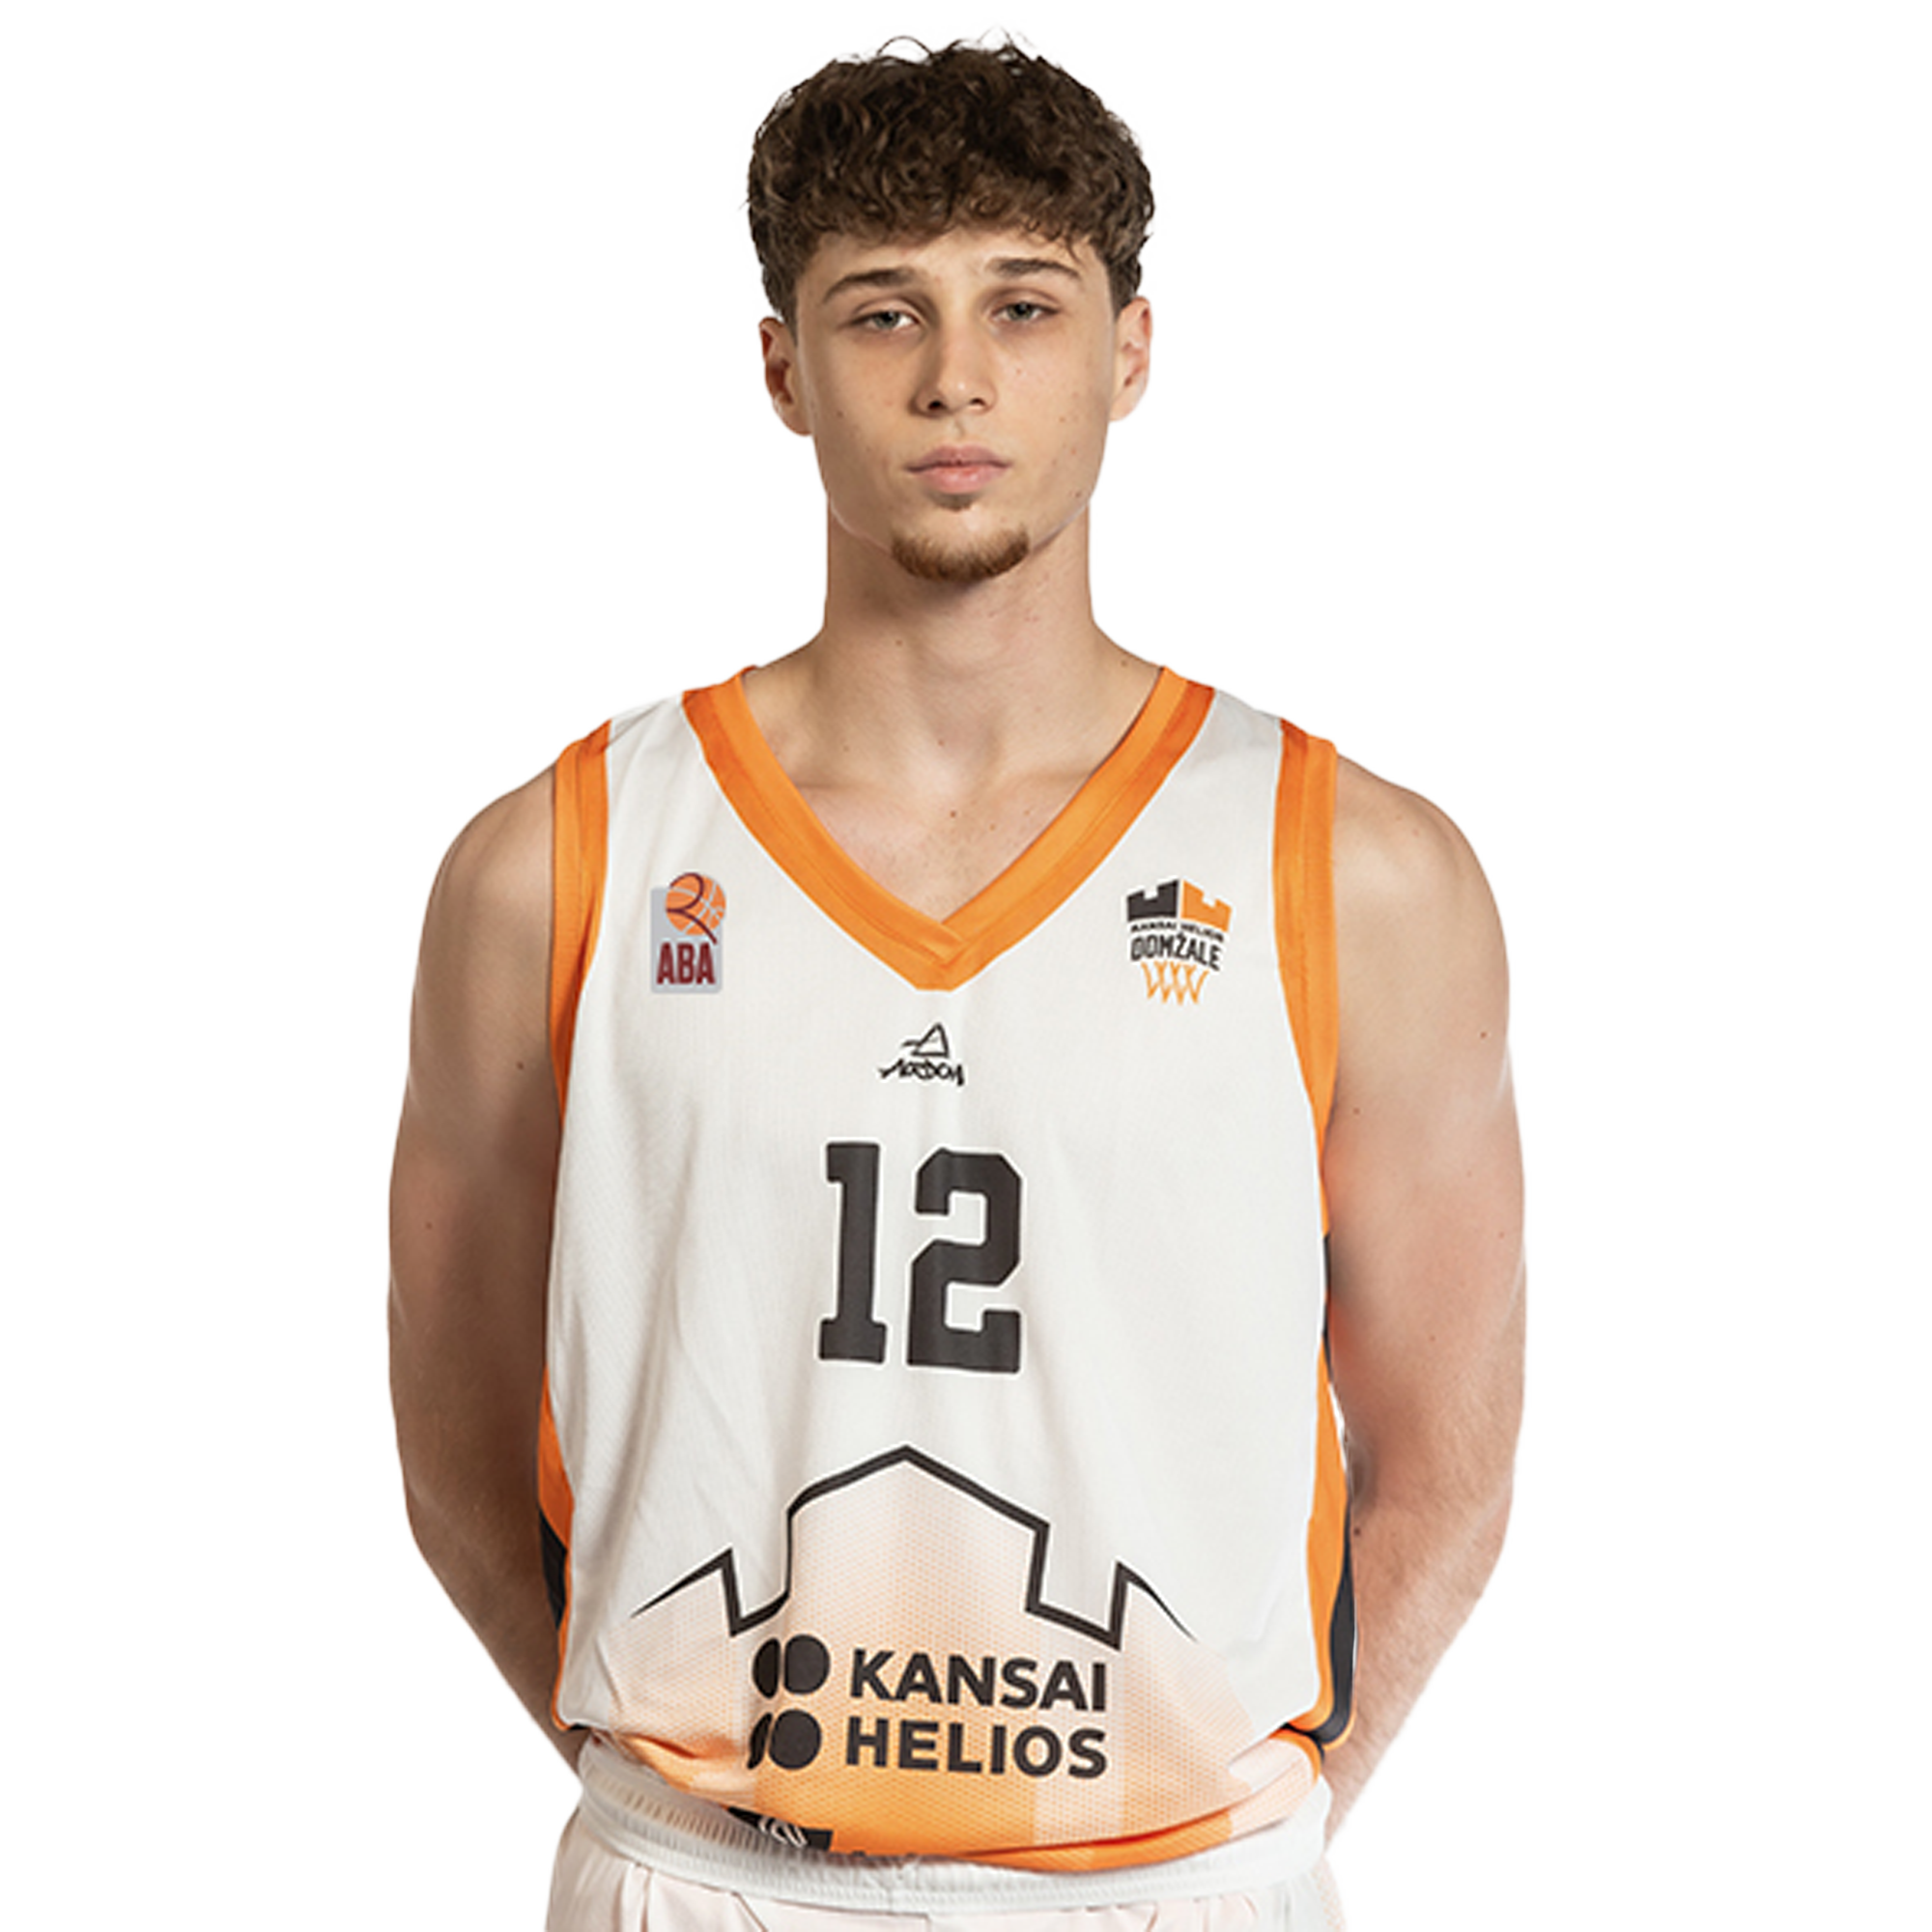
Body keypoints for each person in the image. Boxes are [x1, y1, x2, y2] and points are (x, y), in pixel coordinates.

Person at [389, 28, 1524, 1932]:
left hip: (1173, 1889)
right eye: (882, 312)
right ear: (783, 367)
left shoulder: (1356, 869)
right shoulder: (561, 862)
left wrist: (1246, 1833)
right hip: (703, 1880)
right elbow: (453, 1439)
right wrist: (674, 1804)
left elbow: (1446, 1459)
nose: (955, 378)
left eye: (1024, 304)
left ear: (1128, 353)